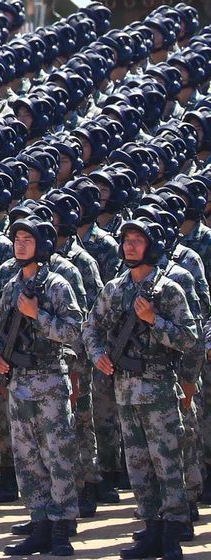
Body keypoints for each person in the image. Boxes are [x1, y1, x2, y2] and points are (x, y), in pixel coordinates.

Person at [89, 213, 199, 560]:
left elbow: (190, 338)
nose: (129, 247)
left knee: (168, 463)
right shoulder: (114, 288)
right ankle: (150, 528)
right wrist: (98, 356)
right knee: (137, 465)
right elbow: (90, 328)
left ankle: (172, 534)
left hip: (159, 389)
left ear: (152, 246)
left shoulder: (169, 289)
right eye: (126, 241)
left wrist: (155, 321)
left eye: (137, 241)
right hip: (124, 390)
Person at [0, 211, 81, 556]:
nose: (20, 245)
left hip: (49, 382)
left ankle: (61, 529)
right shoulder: (12, 285)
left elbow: (73, 331)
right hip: (19, 383)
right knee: (28, 460)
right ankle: (39, 523)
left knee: (57, 457)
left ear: (41, 245)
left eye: (27, 240)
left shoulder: (57, 285)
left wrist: (36, 315)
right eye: (17, 240)